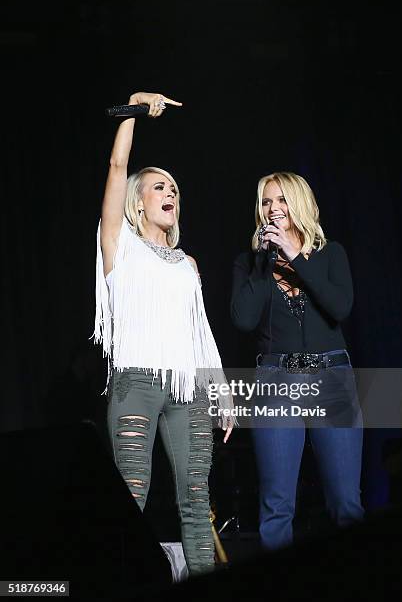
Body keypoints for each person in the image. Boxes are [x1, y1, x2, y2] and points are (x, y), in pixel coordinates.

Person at [92, 91, 233, 576]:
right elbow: (116, 166)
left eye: (173, 187)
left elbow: (200, 332)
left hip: (188, 387)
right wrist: (132, 111)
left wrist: (221, 390)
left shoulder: (187, 263)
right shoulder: (119, 246)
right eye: (158, 187)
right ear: (137, 201)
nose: (170, 192)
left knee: (196, 500)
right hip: (137, 383)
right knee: (130, 497)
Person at [231, 172, 364, 550]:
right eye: (266, 202)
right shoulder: (249, 263)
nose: (273, 209)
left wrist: (295, 256)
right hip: (276, 379)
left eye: (281, 200)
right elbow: (242, 319)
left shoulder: (330, 254)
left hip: (331, 378)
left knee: (345, 502)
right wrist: (263, 263)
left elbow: (339, 307)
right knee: (276, 507)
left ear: (300, 203)